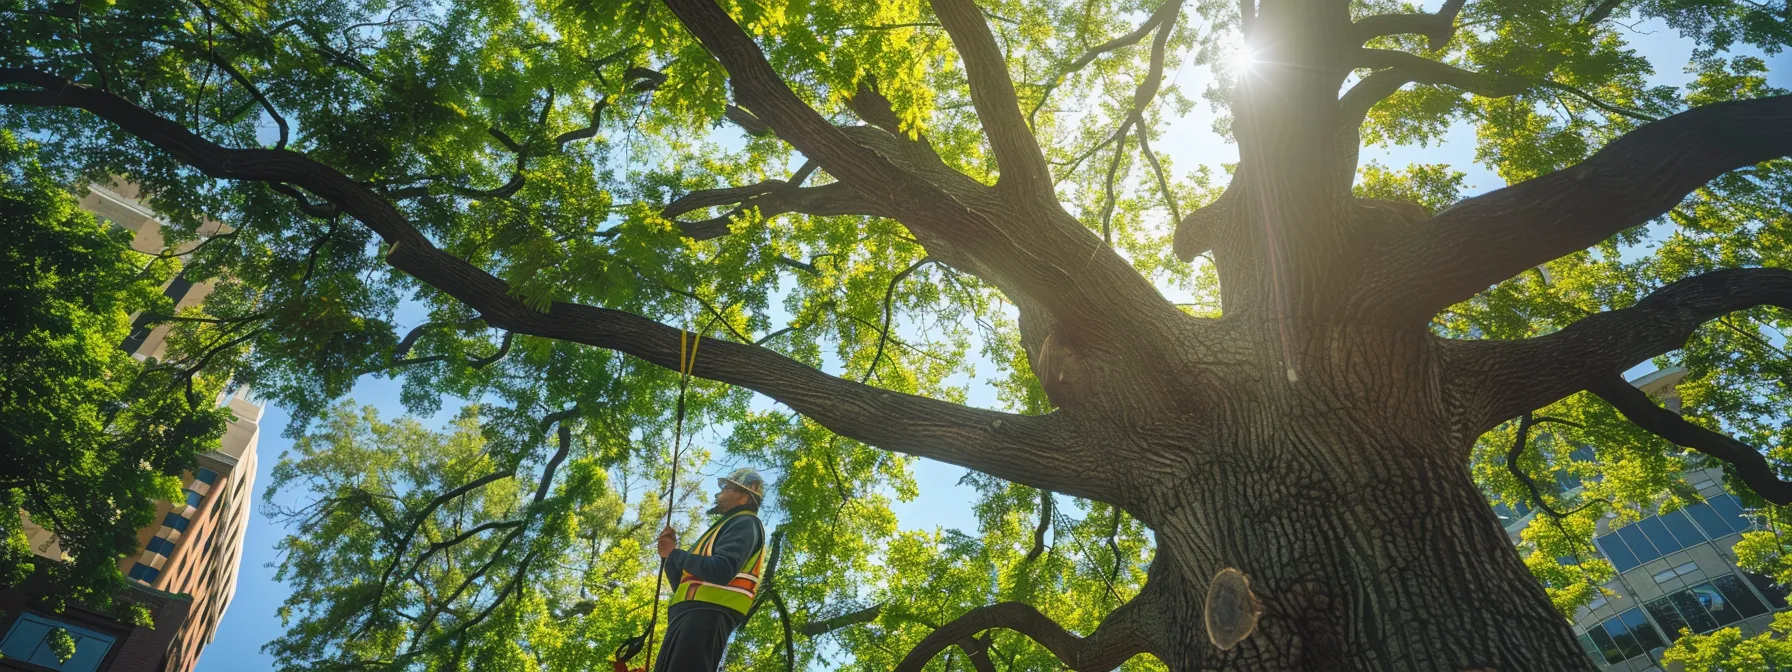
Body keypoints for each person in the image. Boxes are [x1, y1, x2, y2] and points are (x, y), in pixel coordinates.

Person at [653, 467, 767, 672]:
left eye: (727, 488)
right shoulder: (722, 528)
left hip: (707, 615)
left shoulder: (745, 523)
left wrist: (675, 554)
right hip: (691, 615)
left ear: (744, 498)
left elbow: (722, 570)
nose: (719, 493)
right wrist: (670, 557)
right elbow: (685, 585)